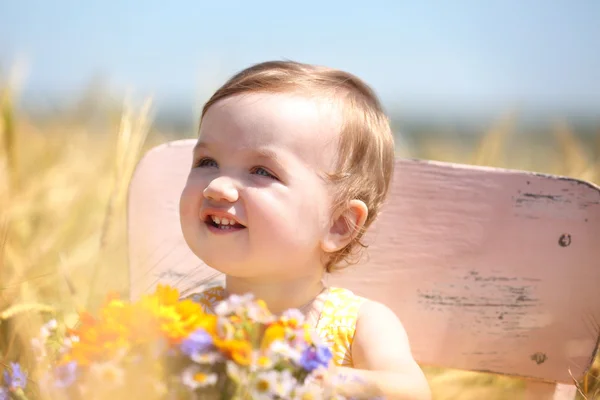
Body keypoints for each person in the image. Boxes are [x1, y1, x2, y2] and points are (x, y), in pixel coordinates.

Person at [179, 60, 431, 399]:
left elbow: (412, 392)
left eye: (262, 171)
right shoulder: (186, 319)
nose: (218, 187)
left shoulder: (359, 324)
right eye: (207, 162)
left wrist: (311, 377)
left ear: (338, 225)